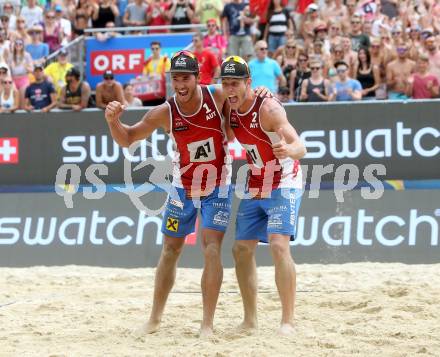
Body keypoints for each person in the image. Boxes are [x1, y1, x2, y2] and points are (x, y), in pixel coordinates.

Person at [104, 51, 269, 338]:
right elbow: (128, 138)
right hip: (182, 188)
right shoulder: (165, 111)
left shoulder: (216, 97)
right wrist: (112, 122)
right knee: (169, 251)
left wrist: (261, 92)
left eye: (185, 78)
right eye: (175, 78)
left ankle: (207, 324)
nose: (180, 84)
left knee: (212, 249)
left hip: (218, 185)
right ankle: (154, 319)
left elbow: (244, 99)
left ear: (197, 78)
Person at [220, 55, 306, 336]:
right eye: (226, 83)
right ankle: (250, 320)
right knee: (241, 249)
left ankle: (288, 321)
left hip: (284, 180)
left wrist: (288, 150)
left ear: (249, 82)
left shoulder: (267, 107)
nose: (230, 89)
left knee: (279, 245)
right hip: (256, 180)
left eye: (235, 83)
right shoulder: (229, 107)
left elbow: (299, 146)